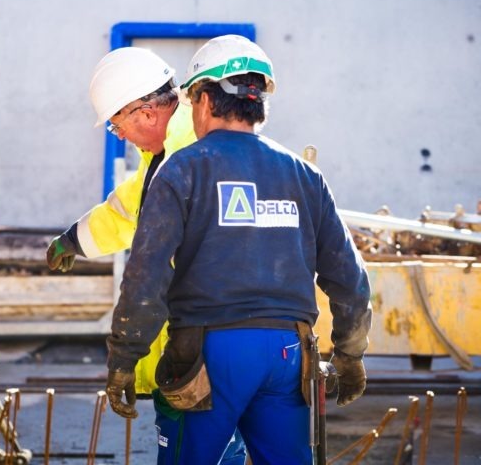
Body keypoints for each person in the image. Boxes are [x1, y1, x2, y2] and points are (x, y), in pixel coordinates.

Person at [104, 35, 372, 464]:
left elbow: (146, 273)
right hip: (288, 356)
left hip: (210, 355)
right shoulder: (305, 176)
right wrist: (350, 353)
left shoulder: (182, 168)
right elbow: (351, 280)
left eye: (191, 102)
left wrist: (123, 356)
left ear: (205, 101)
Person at [46, 46, 247, 463]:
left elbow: (151, 271)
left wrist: (124, 354)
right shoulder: (167, 155)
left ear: (146, 113)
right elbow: (127, 210)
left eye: (117, 126)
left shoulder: (187, 157)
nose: (119, 137)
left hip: (199, 349)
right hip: (219, 345)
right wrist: (75, 239)